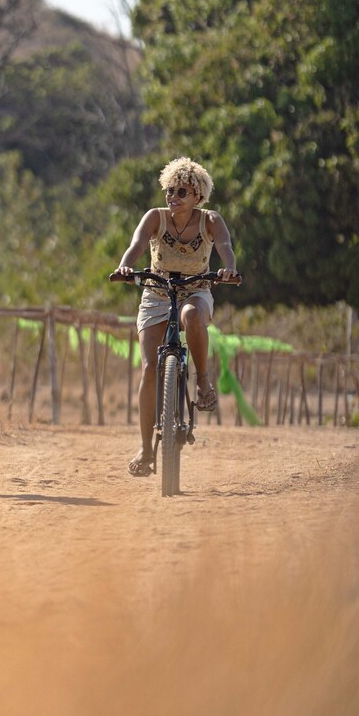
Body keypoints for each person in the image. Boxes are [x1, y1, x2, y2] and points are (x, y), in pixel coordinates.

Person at [112, 157, 238, 477]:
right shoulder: (155, 217)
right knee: (149, 369)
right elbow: (137, 244)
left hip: (195, 290)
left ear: (197, 195)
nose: (173, 197)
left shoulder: (211, 221)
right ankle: (146, 448)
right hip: (157, 293)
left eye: (181, 191)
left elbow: (225, 246)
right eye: (169, 190)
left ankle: (203, 380)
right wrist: (126, 266)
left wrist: (229, 269)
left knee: (193, 316)